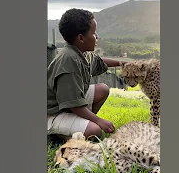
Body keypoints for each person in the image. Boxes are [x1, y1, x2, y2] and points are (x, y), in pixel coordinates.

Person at [47, 8, 127, 141]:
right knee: (94, 131)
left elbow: (100, 62)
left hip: (67, 103)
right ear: (81, 38)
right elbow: (73, 104)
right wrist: (99, 121)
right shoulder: (68, 60)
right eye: (94, 33)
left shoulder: (82, 53)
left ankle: (78, 124)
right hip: (54, 111)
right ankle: (59, 135)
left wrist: (125, 64)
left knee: (102, 89)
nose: (97, 37)